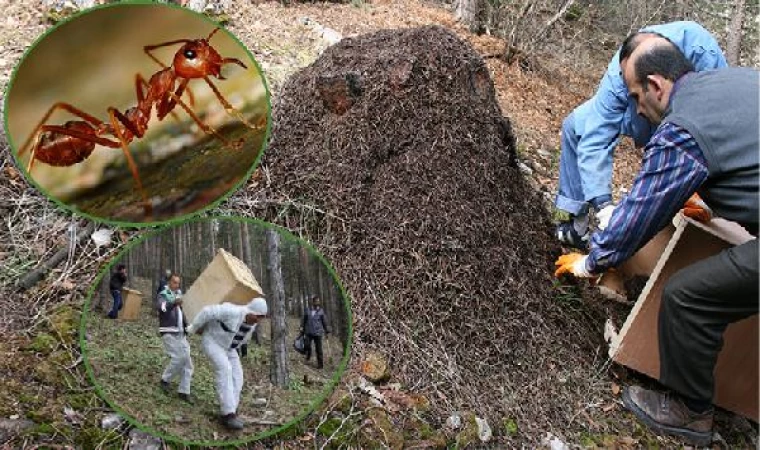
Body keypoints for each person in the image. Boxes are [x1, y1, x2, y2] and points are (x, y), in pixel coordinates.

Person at [555, 37, 758, 446]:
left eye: (635, 96)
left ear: (657, 86)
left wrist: (592, 261)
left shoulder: (683, 127)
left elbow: (643, 212)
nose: (635, 110)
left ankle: (691, 413)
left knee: (687, 296)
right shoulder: (730, 82)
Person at [554, 21, 727, 250]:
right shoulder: (618, 76)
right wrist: (604, 205)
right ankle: (576, 222)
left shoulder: (702, 53)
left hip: (684, 117)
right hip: (636, 115)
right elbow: (597, 133)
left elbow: (719, 117)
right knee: (575, 125)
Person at [186, 297, 268, 430]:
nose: (259, 320)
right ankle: (227, 414)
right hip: (213, 341)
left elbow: (241, 340)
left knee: (238, 376)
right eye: (258, 316)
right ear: (251, 311)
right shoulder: (232, 311)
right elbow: (208, 311)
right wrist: (194, 327)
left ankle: (232, 409)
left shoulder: (252, 325)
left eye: (262, 317)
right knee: (225, 369)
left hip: (229, 348)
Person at [157, 274, 194, 403]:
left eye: (178, 283)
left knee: (188, 363)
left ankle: (184, 391)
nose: (176, 285)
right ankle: (165, 380)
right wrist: (173, 303)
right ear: (169, 282)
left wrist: (187, 327)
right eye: (174, 282)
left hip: (181, 333)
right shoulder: (163, 294)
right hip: (169, 332)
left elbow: (181, 315)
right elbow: (162, 308)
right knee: (179, 357)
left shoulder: (179, 296)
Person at [301, 296, 331, 369]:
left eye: (318, 301)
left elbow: (324, 322)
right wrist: (302, 327)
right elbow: (304, 320)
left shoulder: (321, 311)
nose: (317, 303)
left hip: (318, 333)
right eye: (316, 301)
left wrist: (326, 330)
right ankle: (309, 354)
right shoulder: (308, 310)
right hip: (308, 332)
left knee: (319, 349)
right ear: (313, 302)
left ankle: (320, 365)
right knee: (307, 345)